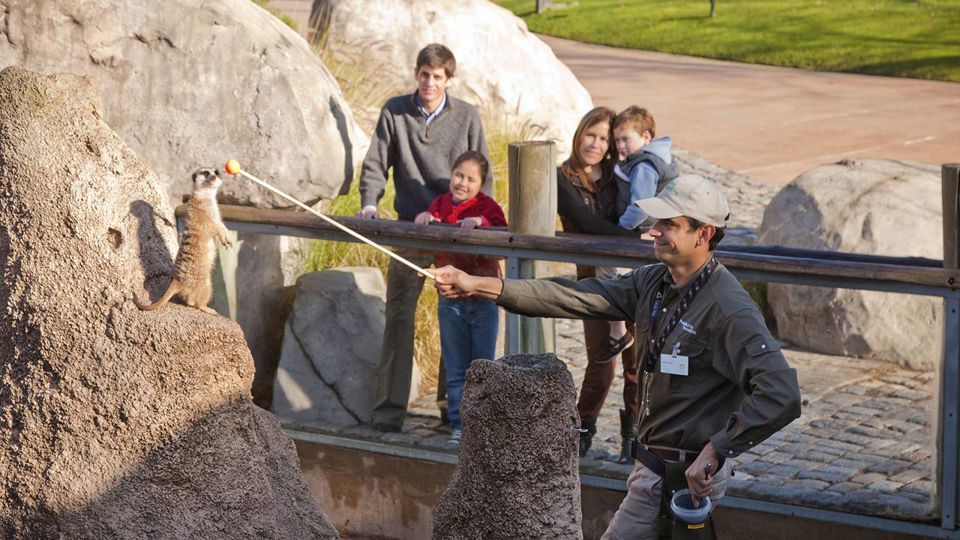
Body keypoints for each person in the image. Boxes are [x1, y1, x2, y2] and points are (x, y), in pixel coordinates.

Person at [434, 174, 802, 539]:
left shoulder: (729, 309)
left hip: (682, 477)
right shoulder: (654, 282)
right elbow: (571, 297)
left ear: (703, 234)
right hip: (654, 466)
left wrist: (718, 448)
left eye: (668, 224)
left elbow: (780, 394)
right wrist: (476, 284)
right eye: (657, 221)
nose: (654, 230)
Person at [356, 43, 492, 433]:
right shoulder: (395, 111)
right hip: (411, 226)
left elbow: (483, 171)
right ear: (416, 74)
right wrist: (369, 203)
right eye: (423, 75)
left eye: (437, 77)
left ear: (448, 79)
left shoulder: (467, 116)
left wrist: (480, 218)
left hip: (455, 230)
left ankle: (455, 412)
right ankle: (388, 412)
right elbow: (376, 162)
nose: (429, 83)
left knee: (457, 315)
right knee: (399, 315)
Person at [556, 107, 642, 462]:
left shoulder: (616, 174)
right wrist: (630, 237)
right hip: (593, 283)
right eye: (591, 134)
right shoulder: (562, 176)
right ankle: (581, 431)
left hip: (631, 278)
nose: (596, 143)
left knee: (638, 365)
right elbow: (583, 221)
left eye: (604, 138)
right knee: (601, 366)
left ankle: (633, 437)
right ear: (579, 134)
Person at [415, 150, 506, 445]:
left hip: (482, 299)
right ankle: (458, 423)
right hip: (450, 299)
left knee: (482, 364)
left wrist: (482, 224)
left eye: (471, 179)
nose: (462, 183)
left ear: (481, 183)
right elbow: (428, 237)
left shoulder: (488, 207)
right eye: (458, 175)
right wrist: (425, 218)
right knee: (456, 368)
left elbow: (504, 236)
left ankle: (482, 424)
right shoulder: (440, 205)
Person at [612, 105, 679, 231]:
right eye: (617, 140)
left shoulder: (643, 167)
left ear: (646, 137)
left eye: (626, 139)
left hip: (645, 228)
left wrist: (621, 229)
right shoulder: (657, 157)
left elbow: (641, 207)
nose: (621, 145)